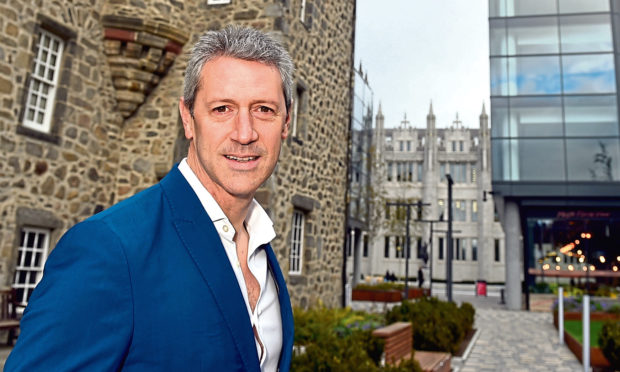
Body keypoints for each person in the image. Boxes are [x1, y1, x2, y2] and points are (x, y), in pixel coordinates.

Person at [6, 26, 295, 372]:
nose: (245, 133)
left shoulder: (262, 247)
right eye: (222, 109)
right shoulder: (109, 248)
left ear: (286, 123)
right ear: (188, 119)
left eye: (263, 109)